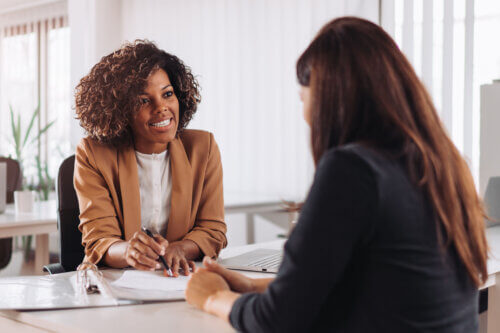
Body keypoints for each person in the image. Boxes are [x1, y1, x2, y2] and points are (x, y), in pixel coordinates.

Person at [185, 17, 488, 331]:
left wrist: (213, 297)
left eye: (303, 99)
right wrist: (250, 287)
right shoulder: (447, 164)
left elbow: (277, 321)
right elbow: (369, 284)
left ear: (330, 97)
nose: (305, 118)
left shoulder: (353, 170)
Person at [74, 40, 227, 276]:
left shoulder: (202, 148)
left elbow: (213, 230)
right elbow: (99, 240)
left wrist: (180, 249)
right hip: (114, 284)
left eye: (167, 94)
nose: (162, 107)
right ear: (120, 110)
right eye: (144, 100)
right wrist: (129, 251)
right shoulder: (93, 154)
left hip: (178, 281)